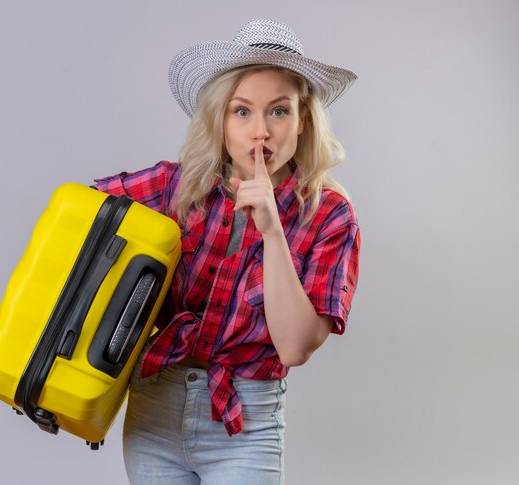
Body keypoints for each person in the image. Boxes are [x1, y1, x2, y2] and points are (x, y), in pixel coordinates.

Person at [94, 18, 360, 485]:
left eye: (279, 111)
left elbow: (295, 347)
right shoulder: (177, 187)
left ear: (303, 121)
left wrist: (272, 230)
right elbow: (81, 212)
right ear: (220, 120)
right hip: (155, 407)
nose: (261, 132)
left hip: (246, 422)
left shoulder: (330, 216)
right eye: (242, 111)